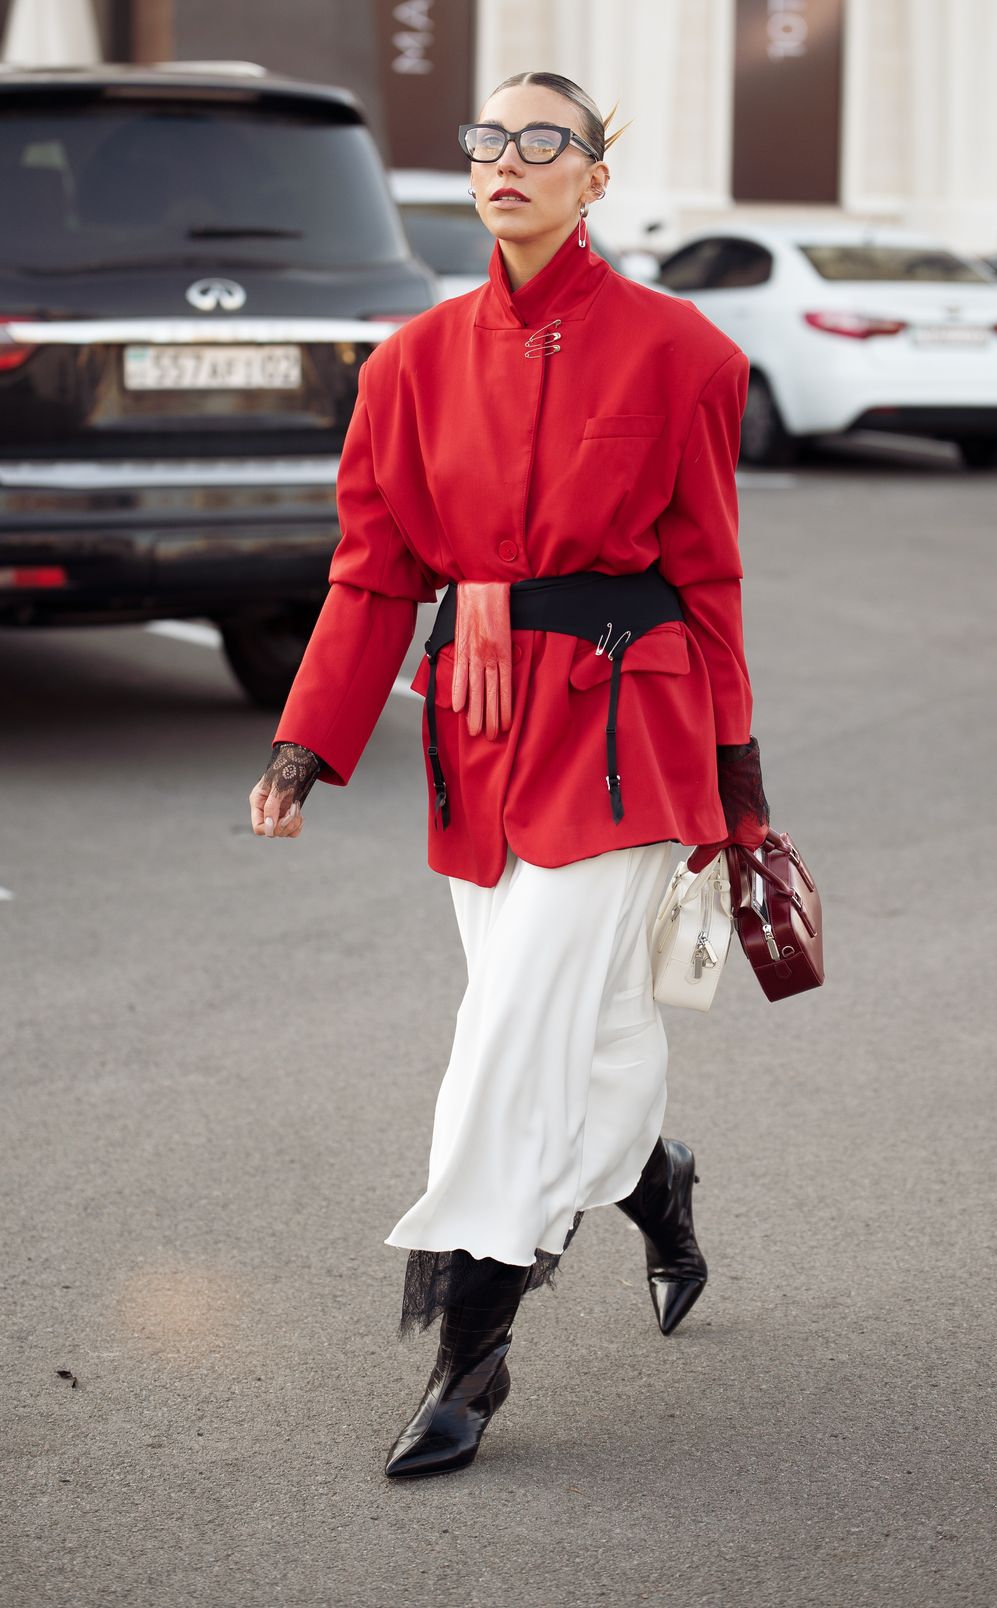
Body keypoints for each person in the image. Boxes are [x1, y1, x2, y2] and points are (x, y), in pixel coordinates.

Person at [248, 71, 770, 1480]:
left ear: (596, 178)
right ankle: (656, 1184)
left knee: (508, 1039)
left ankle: (468, 1352)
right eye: (490, 139)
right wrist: (307, 741)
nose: (510, 159)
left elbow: (707, 576)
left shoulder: (686, 357)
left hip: (629, 736)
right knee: (576, 1036)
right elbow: (373, 574)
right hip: (473, 731)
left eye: (548, 141)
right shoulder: (407, 366)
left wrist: (739, 783)